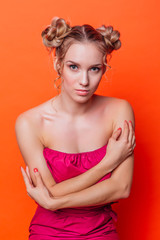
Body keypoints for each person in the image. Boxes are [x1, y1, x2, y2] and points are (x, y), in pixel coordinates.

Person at [15, 17, 136, 240]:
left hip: (102, 231)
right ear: (57, 64)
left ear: (103, 68)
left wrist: (56, 202)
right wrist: (107, 163)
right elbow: (48, 191)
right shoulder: (30, 122)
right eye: (74, 67)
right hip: (48, 232)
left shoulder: (119, 110)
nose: (84, 80)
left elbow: (121, 187)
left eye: (94, 69)